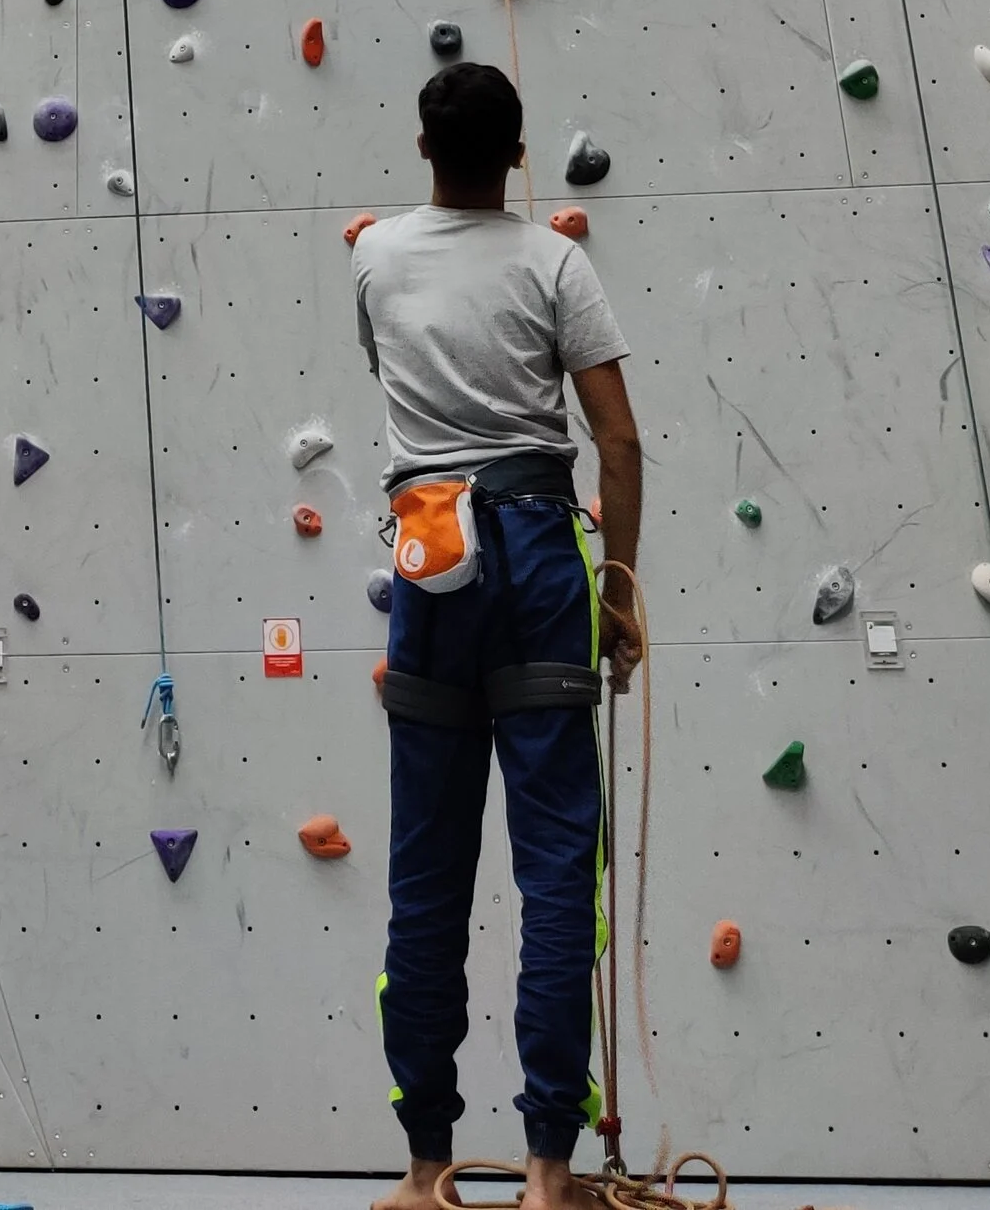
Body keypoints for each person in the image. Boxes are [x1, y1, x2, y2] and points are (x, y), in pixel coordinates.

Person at [352, 64, 642, 1210]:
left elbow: (397, 376)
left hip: (430, 557)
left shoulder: (375, 256)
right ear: (519, 153)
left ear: (424, 147)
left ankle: (426, 1166)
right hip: (533, 553)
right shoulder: (553, 262)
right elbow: (616, 441)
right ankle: (546, 1171)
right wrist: (616, 592)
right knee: (558, 868)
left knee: (425, 875)